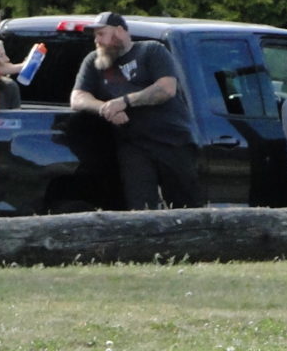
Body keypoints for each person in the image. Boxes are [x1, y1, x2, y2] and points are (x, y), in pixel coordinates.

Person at [69, 11, 202, 210]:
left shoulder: (151, 51)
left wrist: (125, 101)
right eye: (95, 35)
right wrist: (105, 108)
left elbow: (166, 88)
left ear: (120, 31)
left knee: (184, 205)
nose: (97, 40)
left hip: (172, 141)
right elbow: (77, 97)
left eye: (101, 34)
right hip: (133, 145)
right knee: (140, 206)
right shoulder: (94, 62)